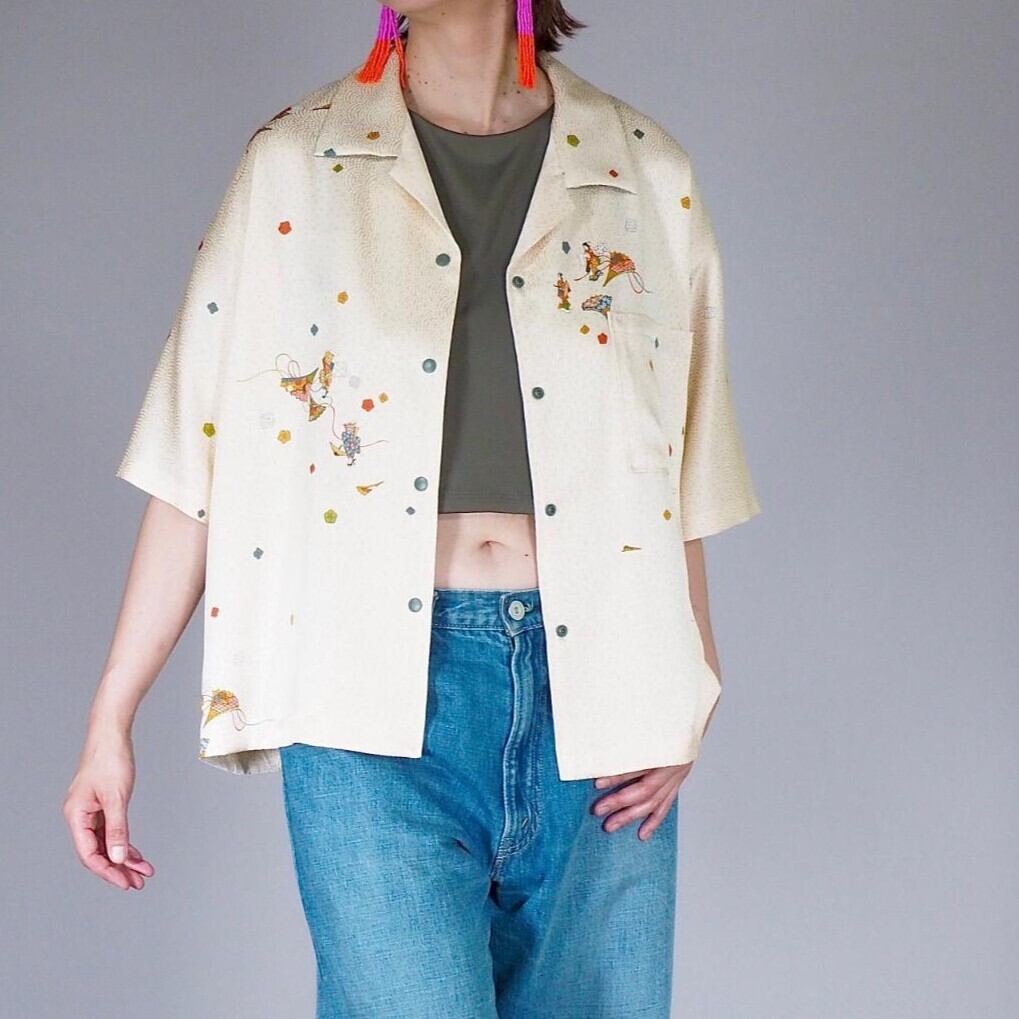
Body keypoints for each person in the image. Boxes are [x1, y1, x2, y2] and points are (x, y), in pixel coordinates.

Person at [64, 1, 761, 1015]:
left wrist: (688, 686)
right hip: (364, 699)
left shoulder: (643, 172)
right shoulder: (297, 164)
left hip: (606, 693)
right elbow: (198, 450)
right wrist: (110, 716)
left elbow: (681, 468)